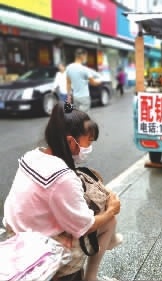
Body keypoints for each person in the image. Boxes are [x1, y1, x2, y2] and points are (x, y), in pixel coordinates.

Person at [2, 102, 121, 281]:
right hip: (41, 248)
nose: (90, 146)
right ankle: (91, 276)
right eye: (88, 140)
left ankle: (110, 241)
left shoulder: (32, 155)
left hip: (16, 231)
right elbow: (85, 226)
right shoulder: (63, 177)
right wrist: (112, 208)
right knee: (109, 219)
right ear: (70, 141)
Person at [66, 48, 102, 112]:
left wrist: (69, 97)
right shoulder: (84, 69)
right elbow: (93, 83)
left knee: (78, 117)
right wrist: (100, 81)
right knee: (84, 118)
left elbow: (68, 83)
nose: (86, 58)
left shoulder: (68, 67)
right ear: (82, 56)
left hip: (75, 97)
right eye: (86, 56)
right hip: (84, 98)